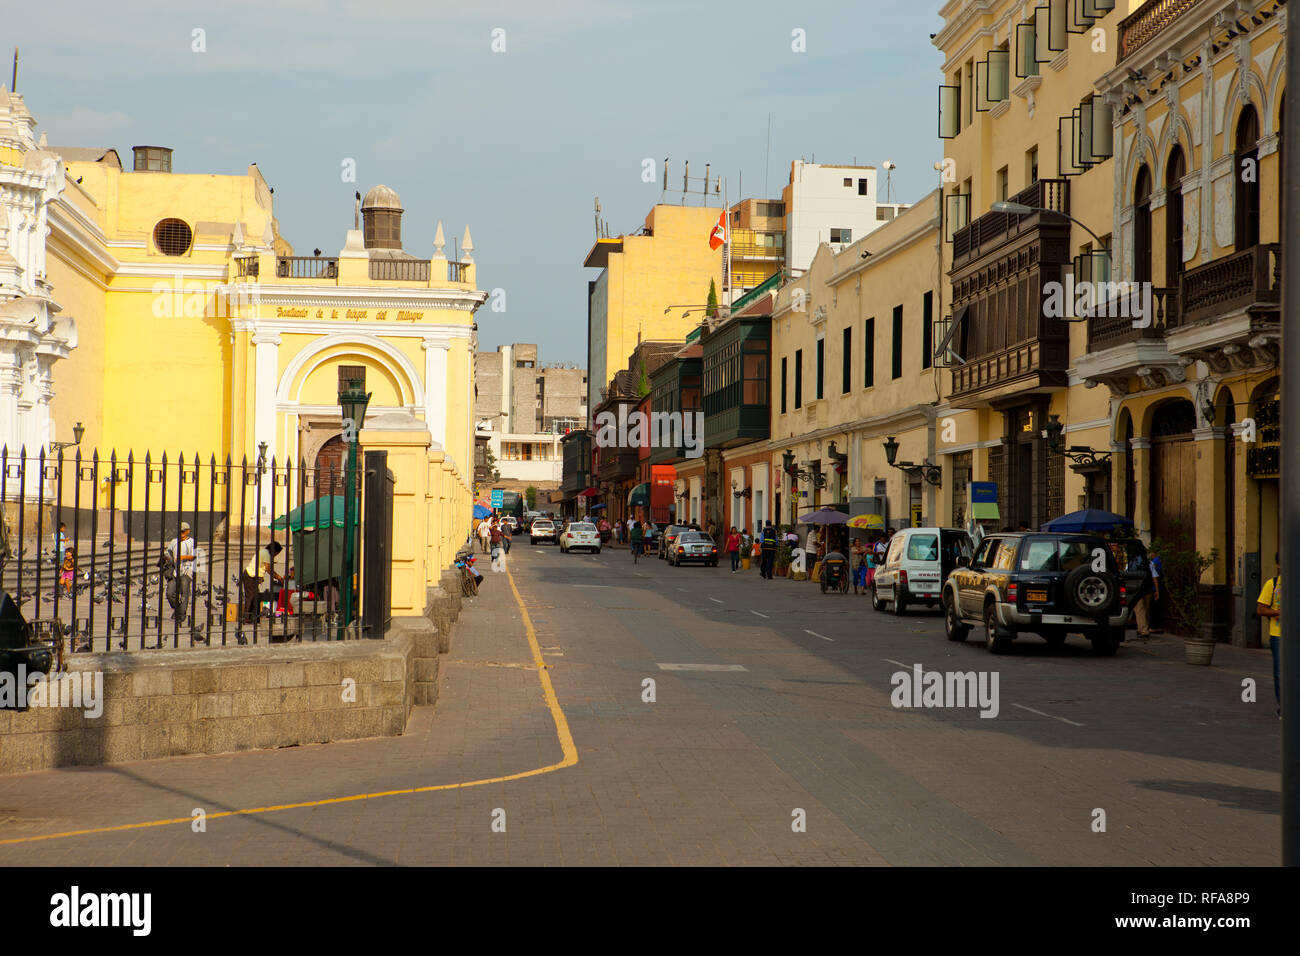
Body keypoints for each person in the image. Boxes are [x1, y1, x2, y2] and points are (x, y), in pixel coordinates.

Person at [1257, 555, 1281, 716]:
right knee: (1280, 672)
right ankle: (1284, 706)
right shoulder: (1272, 584)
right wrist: (1278, 612)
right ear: (1279, 565)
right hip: (1278, 635)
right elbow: (1261, 609)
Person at [241, 539, 284, 625]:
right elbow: (269, 570)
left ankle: (253, 617)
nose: (275, 555)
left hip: (251, 576)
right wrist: (279, 577)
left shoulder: (263, 552)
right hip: (250, 576)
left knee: (254, 596)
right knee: (251, 596)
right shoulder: (267, 554)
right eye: (276, 553)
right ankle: (246, 618)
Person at [166, 521, 197, 625]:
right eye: (180, 531)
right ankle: (178, 609)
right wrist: (167, 558)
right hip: (175, 571)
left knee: (184, 593)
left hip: (187, 570)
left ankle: (181, 615)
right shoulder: (174, 541)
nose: (181, 533)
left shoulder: (192, 542)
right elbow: (168, 552)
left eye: (183, 531)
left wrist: (182, 557)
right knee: (170, 593)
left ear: (188, 531)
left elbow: (195, 556)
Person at [1127, 544, 1155, 639]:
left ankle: (1143, 630)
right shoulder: (1148, 562)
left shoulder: (1131, 562)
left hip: (1136, 589)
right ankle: (1143, 628)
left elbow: (1127, 575)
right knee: (1146, 610)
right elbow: (1154, 576)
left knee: (1139, 610)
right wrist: (1156, 590)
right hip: (1148, 589)